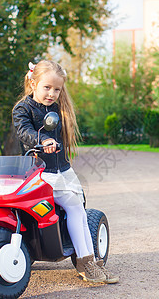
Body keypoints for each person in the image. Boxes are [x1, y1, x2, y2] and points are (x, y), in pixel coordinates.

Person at [12, 60, 118, 284]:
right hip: (41, 172)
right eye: (47, 87)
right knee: (73, 207)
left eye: (57, 89)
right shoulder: (23, 108)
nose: (52, 93)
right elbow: (25, 131)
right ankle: (86, 263)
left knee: (78, 208)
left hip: (62, 169)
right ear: (33, 83)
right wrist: (42, 140)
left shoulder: (56, 108)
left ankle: (91, 261)